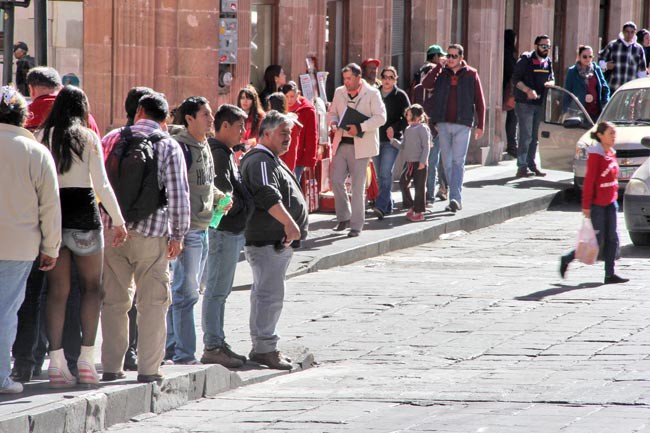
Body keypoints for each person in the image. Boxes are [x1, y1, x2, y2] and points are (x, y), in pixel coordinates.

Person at [39, 86, 127, 387]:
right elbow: (101, 185)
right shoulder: (87, 138)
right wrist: (118, 220)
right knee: (92, 289)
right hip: (85, 217)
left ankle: (56, 363)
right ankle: (87, 361)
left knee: (56, 293)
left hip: (53, 218)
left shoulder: (43, 136)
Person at [100, 92, 190, 384]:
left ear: (139, 110)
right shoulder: (168, 145)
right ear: (165, 119)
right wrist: (178, 234)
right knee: (152, 303)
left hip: (113, 231)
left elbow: (97, 184)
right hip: (152, 235)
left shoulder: (112, 138)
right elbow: (178, 195)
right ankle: (149, 370)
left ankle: (112, 366)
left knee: (114, 301)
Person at [0, 87, 61, 394]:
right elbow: (50, 205)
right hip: (19, 247)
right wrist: (51, 247)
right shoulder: (36, 152)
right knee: (6, 311)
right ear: (24, 116)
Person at [240, 110, 308, 370]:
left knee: (266, 294)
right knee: (269, 295)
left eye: (290, 134)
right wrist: (289, 224)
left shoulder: (269, 159)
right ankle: (264, 348)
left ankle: (264, 346)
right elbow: (267, 194)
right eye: (283, 133)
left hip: (273, 241)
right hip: (268, 240)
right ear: (266, 134)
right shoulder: (260, 160)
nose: (288, 138)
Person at [165, 96, 219, 365]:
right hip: (187, 230)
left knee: (186, 291)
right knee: (185, 293)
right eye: (206, 115)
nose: (211, 119)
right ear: (189, 119)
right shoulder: (180, 148)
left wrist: (220, 196)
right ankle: (184, 353)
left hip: (204, 226)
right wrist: (177, 233)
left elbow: (204, 184)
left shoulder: (204, 144)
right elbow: (176, 190)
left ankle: (172, 346)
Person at [201, 104, 252, 368]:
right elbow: (223, 195)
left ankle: (218, 340)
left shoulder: (225, 152)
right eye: (239, 126)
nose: (243, 130)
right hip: (222, 231)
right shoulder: (219, 154)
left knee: (220, 291)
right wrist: (245, 204)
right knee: (216, 291)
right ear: (224, 126)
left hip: (228, 231)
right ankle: (213, 345)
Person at [560, 122, 628, 285]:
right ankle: (567, 258)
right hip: (598, 204)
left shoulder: (611, 153)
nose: (613, 136)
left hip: (611, 202)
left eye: (614, 133)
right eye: (610, 133)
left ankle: (610, 274)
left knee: (612, 238)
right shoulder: (596, 155)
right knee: (595, 240)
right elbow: (590, 181)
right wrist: (586, 205)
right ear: (600, 135)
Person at [118, 86, 156, 372]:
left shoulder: (113, 138)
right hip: (149, 228)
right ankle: (142, 354)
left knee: (119, 298)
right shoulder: (160, 141)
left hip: (116, 229)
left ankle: (118, 356)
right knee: (149, 298)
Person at [422, 44, 485, 213]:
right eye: (448, 56)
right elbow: (426, 84)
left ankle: (455, 198)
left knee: (458, 162)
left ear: (461, 58)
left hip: (462, 124)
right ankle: (455, 194)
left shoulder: (471, 74)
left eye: (454, 56)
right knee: (447, 162)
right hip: (442, 123)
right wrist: (437, 66)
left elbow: (479, 101)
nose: (450, 59)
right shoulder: (441, 72)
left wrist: (480, 125)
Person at [328, 63, 387, 237]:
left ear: (358, 78)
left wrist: (360, 127)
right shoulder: (339, 92)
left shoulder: (372, 93)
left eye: (349, 78)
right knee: (336, 180)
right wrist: (332, 122)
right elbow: (332, 113)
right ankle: (343, 217)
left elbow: (381, 118)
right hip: (341, 143)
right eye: (344, 78)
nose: (346, 82)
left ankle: (356, 225)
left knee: (358, 186)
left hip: (361, 146)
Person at [512, 35, 554, 178]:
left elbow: (551, 77)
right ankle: (522, 166)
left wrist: (551, 84)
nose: (546, 49)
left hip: (540, 103)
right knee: (526, 135)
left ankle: (531, 164)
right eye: (543, 46)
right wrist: (527, 91)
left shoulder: (548, 61)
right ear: (536, 46)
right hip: (525, 103)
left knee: (535, 137)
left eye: (548, 46)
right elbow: (515, 80)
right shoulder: (526, 60)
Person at [372, 66, 410, 219]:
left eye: (391, 77)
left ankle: (380, 206)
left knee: (386, 173)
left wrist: (395, 127)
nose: (387, 80)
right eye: (385, 77)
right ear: (381, 78)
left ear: (395, 79)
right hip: (374, 138)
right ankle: (388, 204)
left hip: (391, 141)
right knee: (379, 175)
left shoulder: (400, 96)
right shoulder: (374, 94)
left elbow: (408, 117)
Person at [416, 46, 448, 204]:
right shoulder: (435, 71)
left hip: (427, 123)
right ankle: (435, 192)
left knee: (432, 161)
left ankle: (431, 192)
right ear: (435, 57)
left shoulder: (421, 70)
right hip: (432, 124)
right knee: (436, 161)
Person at [397, 104, 431, 222]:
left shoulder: (423, 128)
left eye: (410, 114)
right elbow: (403, 145)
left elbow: (426, 146)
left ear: (417, 116)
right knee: (402, 182)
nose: (407, 116)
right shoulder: (407, 129)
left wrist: (423, 161)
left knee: (419, 187)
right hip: (409, 163)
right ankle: (412, 205)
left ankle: (419, 211)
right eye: (407, 114)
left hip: (419, 163)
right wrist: (392, 141)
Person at [280, 81, 319, 183]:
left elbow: (312, 135)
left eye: (292, 96)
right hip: (281, 153)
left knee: (293, 182)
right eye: (286, 96)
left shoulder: (307, 110)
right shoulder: (280, 108)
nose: (289, 100)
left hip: (299, 155)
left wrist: (311, 159)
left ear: (298, 94)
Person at [564, 45, 610, 122]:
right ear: (579, 56)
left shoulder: (596, 69)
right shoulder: (572, 71)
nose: (587, 59)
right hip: (579, 111)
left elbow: (605, 87)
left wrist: (605, 102)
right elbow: (567, 92)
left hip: (596, 111)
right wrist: (566, 111)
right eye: (584, 57)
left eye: (590, 56)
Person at [599, 22, 647, 92]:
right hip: (613, 87)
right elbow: (600, 60)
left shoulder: (638, 49)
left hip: (630, 89)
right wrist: (606, 65)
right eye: (627, 31)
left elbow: (641, 70)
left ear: (635, 33)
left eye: (632, 32)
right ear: (623, 32)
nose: (629, 34)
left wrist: (640, 88)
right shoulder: (613, 45)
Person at [503, 29, 518, 158]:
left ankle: (512, 144)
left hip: (507, 89)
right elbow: (512, 72)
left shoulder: (508, 53)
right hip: (508, 91)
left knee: (512, 118)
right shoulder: (507, 54)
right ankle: (512, 145)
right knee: (512, 118)